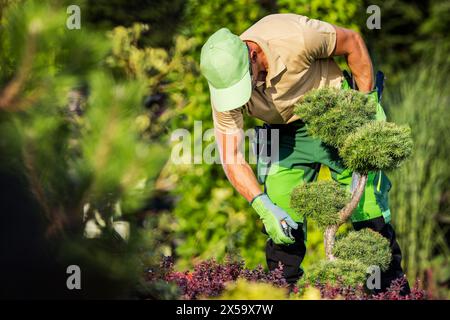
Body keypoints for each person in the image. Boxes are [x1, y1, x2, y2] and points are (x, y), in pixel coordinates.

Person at [200, 13, 409, 293]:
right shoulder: (223, 92)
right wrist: (262, 206)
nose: (244, 95)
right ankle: (283, 296)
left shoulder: (295, 36)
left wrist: (367, 104)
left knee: (369, 217)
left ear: (252, 54)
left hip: (336, 116)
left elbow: (353, 42)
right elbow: (231, 157)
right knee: (282, 231)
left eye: (244, 82)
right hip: (282, 135)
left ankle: (391, 295)